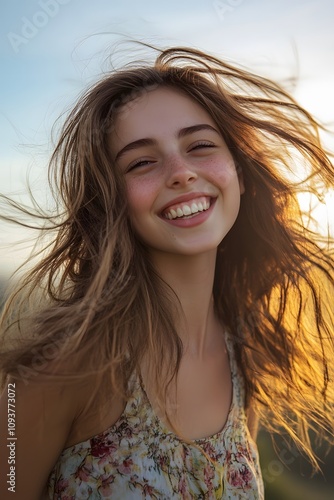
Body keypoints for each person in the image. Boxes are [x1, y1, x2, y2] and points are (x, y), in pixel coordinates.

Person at [0, 45, 333, 499]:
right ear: (111, 199)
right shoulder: (65, 368)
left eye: (200, 145)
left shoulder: (244, 356)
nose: (180, 173)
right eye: (141, 162)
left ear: (238, 169)